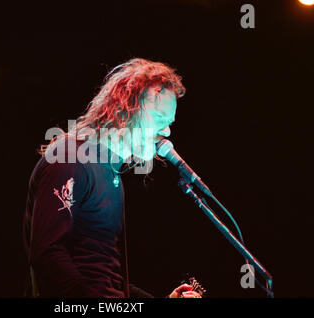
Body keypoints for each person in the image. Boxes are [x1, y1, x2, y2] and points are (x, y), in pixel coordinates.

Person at [23, 58, 202, 298]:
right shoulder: (69, 158)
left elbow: (106, 279)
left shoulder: (112, 173)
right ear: (125, 107)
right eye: (159, 116)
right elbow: (47, 254)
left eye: (169, 123)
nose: (167, 131)